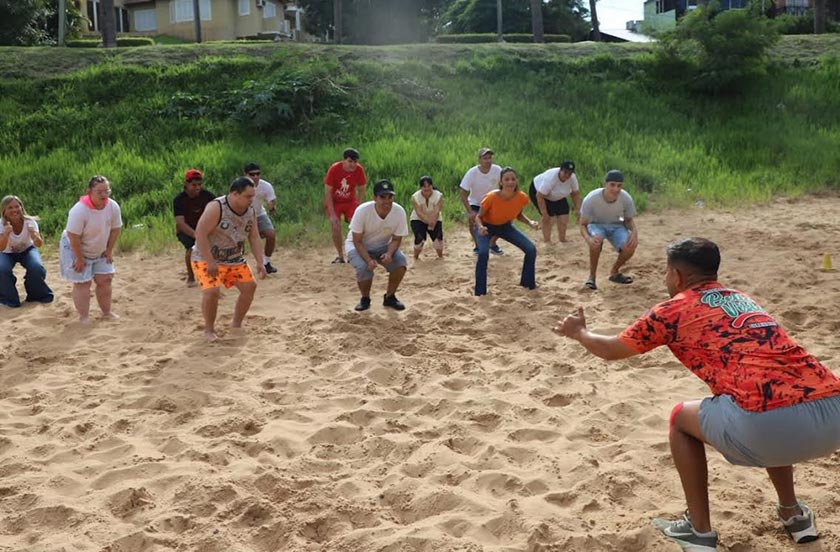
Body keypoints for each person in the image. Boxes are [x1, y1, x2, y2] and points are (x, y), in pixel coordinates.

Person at [555, 238, 840, 551]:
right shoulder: (741, 298)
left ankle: (699, 531)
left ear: (677, 275)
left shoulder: (672, 309)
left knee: (680, 419)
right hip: (832, 413)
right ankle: (794, 515)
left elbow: (610, 350)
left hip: (767, 424)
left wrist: (579, 332)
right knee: (765, 395)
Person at [192, 176, 268, 341]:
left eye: (252, 196)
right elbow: (200, 233)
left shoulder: (250, 210)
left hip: (233, 257)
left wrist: (260, 262)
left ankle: (236, 324)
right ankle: (209, 330)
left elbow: (254, 237)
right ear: (234, 194)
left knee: (250, 287)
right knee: (212, 291)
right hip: (205, 256)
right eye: (248, 196)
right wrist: (210, 261)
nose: (251, 200)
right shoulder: (217, 207)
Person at [59, 175, 122, 322]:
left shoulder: (113, 206)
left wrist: (109, 250)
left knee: (105, 279)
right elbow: (73, 235)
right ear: (89, 191)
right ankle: (84, 316)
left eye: (106, 191)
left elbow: (115, 229)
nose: (104, 195)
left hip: (99, 247)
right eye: (99, 192)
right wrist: (79, 259)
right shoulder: (79, 210)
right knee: (83, 282)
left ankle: (106, 312)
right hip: (75, 247)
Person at [474, 167, 539, 296]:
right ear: (501, 182)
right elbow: (478, 217)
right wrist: (481, 227)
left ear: (516, 181)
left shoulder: (521, 197)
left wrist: (530, 222)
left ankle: (527, 284)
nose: (510, 182)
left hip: (505, 226)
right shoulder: (491, 197)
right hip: (486, 227)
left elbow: (519, 215)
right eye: (507, 179)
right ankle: (480, 292)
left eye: (513, 179)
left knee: (531, 249)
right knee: (482, 254)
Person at [346, 179, 408, 312]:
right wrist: (368, 260)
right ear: (375, 197)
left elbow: (397, 239)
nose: (387, 200)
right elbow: (357, 240)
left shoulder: (399, 212)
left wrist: (389, 253)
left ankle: (390, 297)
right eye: (382, 197)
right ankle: (365, 299)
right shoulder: (362, 211)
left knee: (400, 263)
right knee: (364, 268)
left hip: (383, 245)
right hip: (358, 245)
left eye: (390, 196)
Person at [579, 169, 638, 290]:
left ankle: (614, 272)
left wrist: (634, 232)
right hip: (596, 224)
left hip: (617, 225)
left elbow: (628, 220)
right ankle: (592, 277)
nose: (616, 189)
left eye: (619, 186)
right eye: (612, 185)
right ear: (605, 184)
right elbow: (582, 224)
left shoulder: (626, 198)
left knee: (630, 246)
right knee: (596, 241)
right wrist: (588, 239)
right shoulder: (591, 199)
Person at [0, 195, 54, 307]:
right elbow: (1, 248)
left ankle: (36, 295)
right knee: (2, 269)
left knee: (36, 267)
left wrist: (34, 235)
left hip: (27, 250)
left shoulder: (29, 222)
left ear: (21, 208)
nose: (14, 210)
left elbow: (39, 244)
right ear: (4, 211)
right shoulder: (1, 224)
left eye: (17, 206)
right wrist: (5, 234)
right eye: (10, 208)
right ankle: (9, 299)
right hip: (7, 252)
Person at [174, 169, 215, 287]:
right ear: (186, 184)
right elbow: (180, 223)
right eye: (194, 185)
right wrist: (197, 235)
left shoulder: (208, 196)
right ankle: (191, 276)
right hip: (186, 229)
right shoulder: (179, 200)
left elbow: (217, 212)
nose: (197, 188)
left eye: (199, 185)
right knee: (191, 249)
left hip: (205, 227)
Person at [325, 148, 367, 264]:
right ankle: (340, 255)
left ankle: (354, 252)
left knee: (356, 224)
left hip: (350, 201)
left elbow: (362, 189)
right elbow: (328, 192)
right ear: (343, 160)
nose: (352, 164)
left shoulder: (359, 170)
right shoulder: (334, 169)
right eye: (350, 161)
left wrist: (359, 207)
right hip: (335, 201)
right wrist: (332, 215)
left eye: (355, 162)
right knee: (335, 226)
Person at [460, 147, 503, 256]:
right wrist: (470, 211)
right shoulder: (472, 173)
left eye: (490, 158)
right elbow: (463, 192)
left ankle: (492, 244)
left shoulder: (497, 170)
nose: (488, 161)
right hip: (476, 202)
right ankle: (478, 245)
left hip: (493, 202)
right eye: (485, 158)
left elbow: (504, 186)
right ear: (479, 160)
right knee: (473, 221)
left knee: (504, 221)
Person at [529, 160, 582, 243]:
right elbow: (539, 196)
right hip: (538, 192)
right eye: (565, 172)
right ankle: (547, 241)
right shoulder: (550, 179)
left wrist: (578, 210)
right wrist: (544, 213)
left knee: (564, 216)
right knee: (548, 218)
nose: (567, 175)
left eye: (570, 173)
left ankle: (562, 239)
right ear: (560, 170)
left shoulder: (572, 178)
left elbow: (575, 194)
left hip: (558, 194)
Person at [244, 162, 278, 274]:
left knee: (271, 234)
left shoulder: (266, 186)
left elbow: (271, 200)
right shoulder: (239, 186)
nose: (255, 177)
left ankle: (266, 262)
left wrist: (272, 207)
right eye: (252, 174)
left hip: (259, 214)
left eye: (258, 174)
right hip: (241, 215)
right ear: (246, 175)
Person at [409, 176, 444, 260]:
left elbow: (437, 210)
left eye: (429, 186)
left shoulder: (438, 195)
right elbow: (419, 212)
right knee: (419, 239)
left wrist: (433, 222)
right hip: (418, 219)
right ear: (421, 187)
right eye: (424, 186)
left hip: (435, 217)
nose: (427, 188)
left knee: (437, 239)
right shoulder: (415, 197)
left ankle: (440, 256)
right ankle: (416, 257)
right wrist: (428, 221)